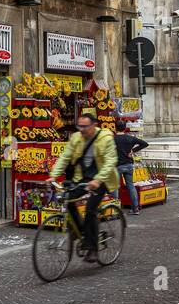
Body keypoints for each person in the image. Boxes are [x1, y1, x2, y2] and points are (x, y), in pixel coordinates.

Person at [47, 111, 118, 263]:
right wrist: (54, 175)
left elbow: (111, 161)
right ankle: (80, 231)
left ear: (94, 125)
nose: (82, 129)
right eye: (80, 126)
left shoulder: (105, 138)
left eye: (85, 126)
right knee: (68, 200)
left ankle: (93, 248)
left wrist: (98, 181)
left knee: (90, 209)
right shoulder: (76, 138)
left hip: (102, 179)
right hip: (83, 178)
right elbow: (65, 157)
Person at [112, 122, 149, 215]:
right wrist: (133, 151)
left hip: (117, 165)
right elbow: (145, 144)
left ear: (115, 128)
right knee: (130, 186)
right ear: (125, 128)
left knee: (115, 187)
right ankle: (135, 208)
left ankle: (115, 210)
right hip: (128, 165)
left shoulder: (112, 139)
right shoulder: (130, 138)